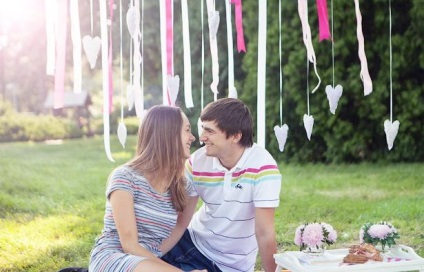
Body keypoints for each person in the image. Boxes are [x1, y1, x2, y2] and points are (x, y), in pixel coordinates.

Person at [162, 98, 282, 272]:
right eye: (203, 128)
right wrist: (152, 253)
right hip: (192, 242)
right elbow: (181, 221)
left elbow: (265, 233)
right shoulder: (197, 160)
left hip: (228, 266)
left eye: (210, 131)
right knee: (135, 260)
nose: (202, 137)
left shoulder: (263, 167)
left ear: (235, 136)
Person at [89, 105, 205, 272]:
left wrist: (155, 258)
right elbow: (129, 245)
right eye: (187, 130)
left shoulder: (182, 186)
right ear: (168, 134)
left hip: (149, 264)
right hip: (113, 258)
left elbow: (180, 226)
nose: (192, 137)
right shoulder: (125, 177)